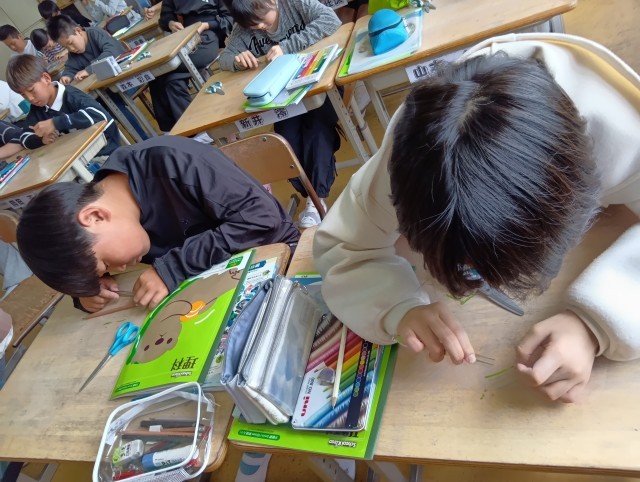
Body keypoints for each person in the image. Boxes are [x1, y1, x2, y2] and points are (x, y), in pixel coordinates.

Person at [314, 33, 640, 404]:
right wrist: (398, 307)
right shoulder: (415, 156)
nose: (478, 280)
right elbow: (343, 245)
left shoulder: (621, 126)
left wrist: (595, 324)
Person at [16, 135, 301, 313]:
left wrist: (172, 268)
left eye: (107, 264)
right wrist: (88, 292)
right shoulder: (100, 218)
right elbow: (74, 255)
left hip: (281, 262)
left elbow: (263, 219)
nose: (119, 270)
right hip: (209, 284)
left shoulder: (174, 162)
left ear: (95, 217)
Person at [219, 0, 342, 228]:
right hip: (284, 97)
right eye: (252, 25)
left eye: (261, 20)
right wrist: (237, 61)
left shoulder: (293, 3)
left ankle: (317, 199)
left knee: (316, 130)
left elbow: (330, 19)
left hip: (318, 83)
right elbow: (224, 58)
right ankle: (311, 193)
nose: (259, 27)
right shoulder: (246, 24)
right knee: (285, 140)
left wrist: (287, 46)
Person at [47, 15, 148, 140]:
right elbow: (71, 66)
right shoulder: (75, 52)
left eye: (70, 43)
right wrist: (67, 75)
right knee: (101, 108)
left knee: (112, 106)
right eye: (66, 47)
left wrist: (89, 70)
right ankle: (137, 139)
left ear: (78, 31)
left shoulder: (95, 33)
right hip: (108, 91)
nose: (71, 49)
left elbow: (113, 51)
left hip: (126, 80)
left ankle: (143, 138)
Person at [6, 54, 119, 156]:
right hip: (77, 156)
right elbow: (24, 137)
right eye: (23, 95)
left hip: (105, 153)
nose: (30, 98)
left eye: (31, 90)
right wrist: (41, 140)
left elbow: (101, 116)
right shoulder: (37, 109)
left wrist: (56, 123)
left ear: (46, 79)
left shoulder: (71, 95)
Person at [145, 0, 232, 133]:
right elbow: (165, 17)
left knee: (160, 74)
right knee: (164, 79)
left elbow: (230, 18)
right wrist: (171, 23)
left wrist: (205, 25)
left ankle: (191, 131)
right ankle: (182, 130)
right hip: (184, 38)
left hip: (208, 36)